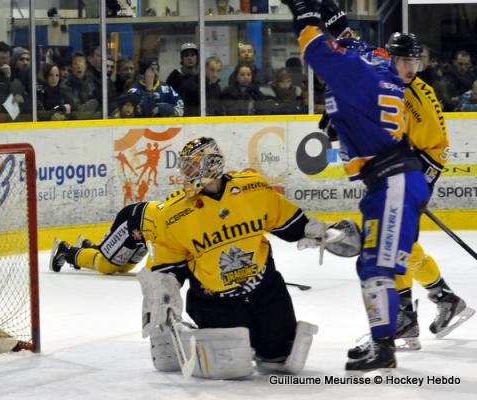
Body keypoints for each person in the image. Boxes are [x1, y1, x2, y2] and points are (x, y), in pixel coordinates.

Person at [282, 0, 431, 371]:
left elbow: (317, 49)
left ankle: (385, 346)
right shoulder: (380, 70)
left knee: (376, 266)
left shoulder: (357, 73)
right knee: (374, 265)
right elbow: (352, 44)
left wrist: (305, 13)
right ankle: (384, 342)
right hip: (392, 181)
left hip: (393, 181)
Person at [138, 137, 362, 378]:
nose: (187, 173)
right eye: (186, 167)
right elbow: (167, 267)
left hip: (265, 295)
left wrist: (323, 233)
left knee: (278, 359)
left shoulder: (253, 189)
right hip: (215, 304)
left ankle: (268, 338)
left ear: (211, 163)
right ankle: (178, 337)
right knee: (230, 368)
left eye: (193, 166)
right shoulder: (173, 214)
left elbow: (291, 223)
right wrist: (163, 296)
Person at [379, 32, 473, 350]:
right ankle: (445, 299)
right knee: (397, 242)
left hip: (420, 168)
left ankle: (407, 319)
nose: (411, 68)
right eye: (405, 61)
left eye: (415, 62)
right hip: (402, 167)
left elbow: (433, 149)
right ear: (390, 59)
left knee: (394, 243)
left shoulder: (419, 99)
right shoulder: (387, 81)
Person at [51, 201, 158, 275]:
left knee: (126, 267)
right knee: (107, 266)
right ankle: (67, 251)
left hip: (147, 230)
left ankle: (91, 248)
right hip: (134, 223)